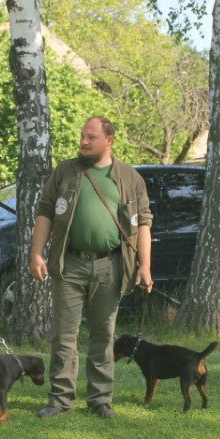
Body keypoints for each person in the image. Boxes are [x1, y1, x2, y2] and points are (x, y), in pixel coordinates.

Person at [29, 116, 153, 419]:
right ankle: (60, 400)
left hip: (110, 264)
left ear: (109, 141)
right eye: (82, 136)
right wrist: (36, 254)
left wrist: (145, 265)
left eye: (91, 137)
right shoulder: (65, 172)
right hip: (69, 264)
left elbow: (143, 223)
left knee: (103, 335)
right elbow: (45, 212)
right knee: (63, 336)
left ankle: (100, 400)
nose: (83, 142)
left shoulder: (130, 177)